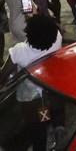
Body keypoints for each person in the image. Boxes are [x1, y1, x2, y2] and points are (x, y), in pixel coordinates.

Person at [0, 15, 62, 151]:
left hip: (30, 100)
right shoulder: (57, 39)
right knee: (46, 115)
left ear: (28, 32)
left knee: (36, 129)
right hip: (50, 92)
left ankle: (41, 140)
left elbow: (3, 77)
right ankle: (55, 130)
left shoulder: (19, 51)